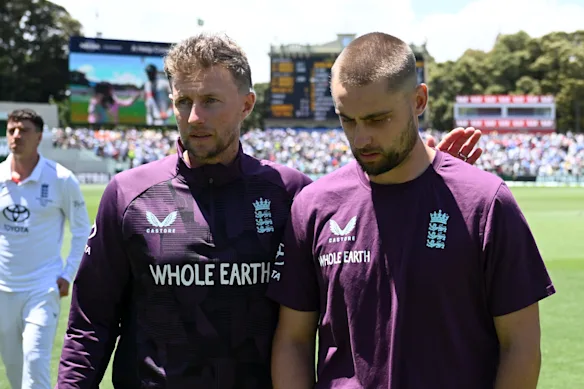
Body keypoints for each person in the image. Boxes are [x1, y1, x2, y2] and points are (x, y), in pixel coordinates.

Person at [56, 32, 483, 389]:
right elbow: (89, 326)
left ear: (246, 105)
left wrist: (428, 178)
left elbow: (371, 256)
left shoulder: (292, 194)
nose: (194, 116)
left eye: (210, 101)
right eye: (183, 101)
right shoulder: (127, 195)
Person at [266, 32, 555, 389]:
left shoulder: (486, 203)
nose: (360, 139)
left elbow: (521, 345)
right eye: (348, 120)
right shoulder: (313, 206)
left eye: (377, 119)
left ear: (419, 100)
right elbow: (293, 339)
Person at [0, 109, 91, 389]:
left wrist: (67, 273)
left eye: (24, 130)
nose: (16, 135)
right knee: (15, 369)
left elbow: (81, 229)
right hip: (3, 289)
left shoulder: (61, 179)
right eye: (12, 129)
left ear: (39, 137)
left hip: (42, 287)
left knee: (35, 361)